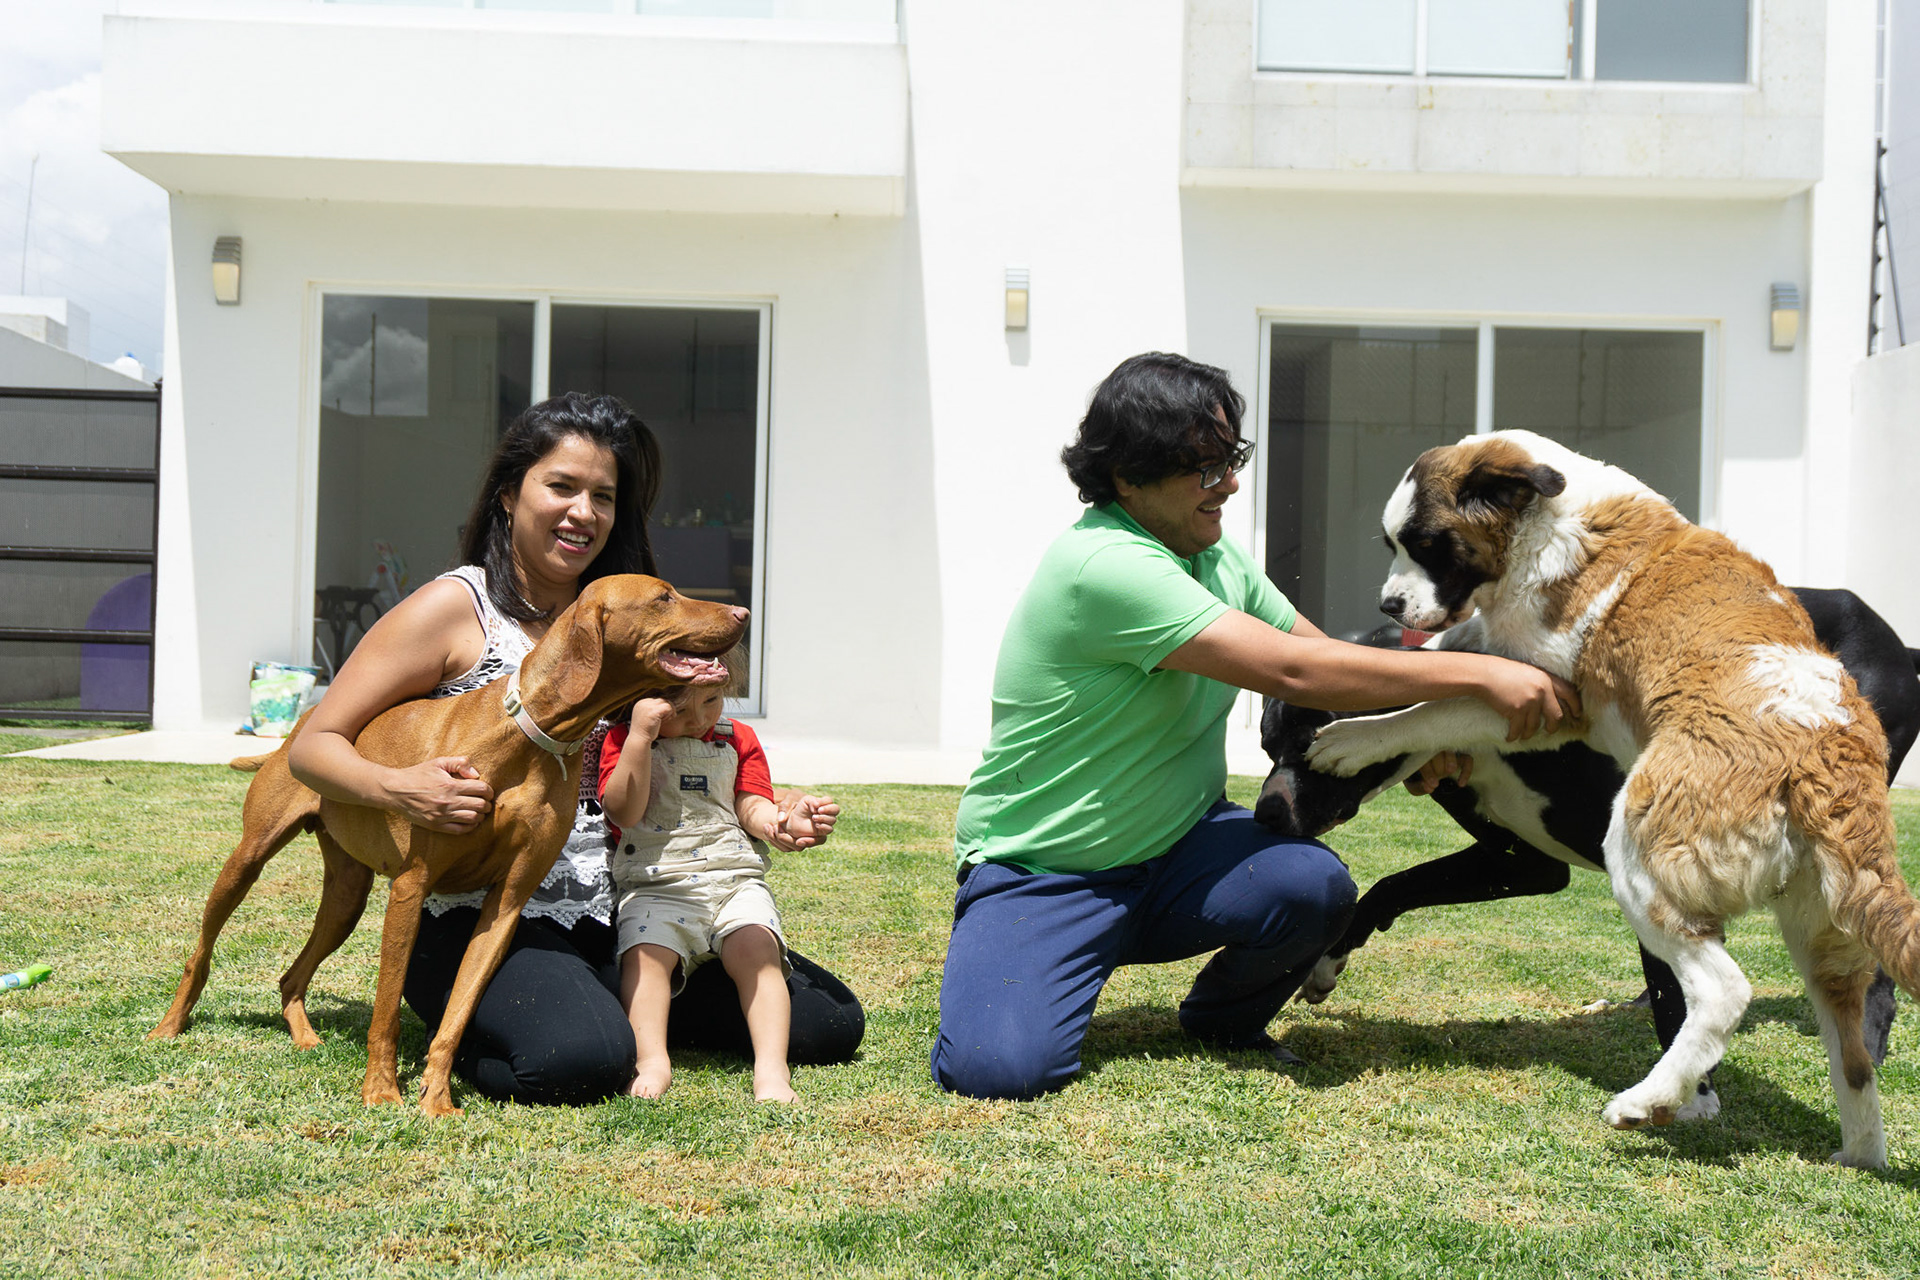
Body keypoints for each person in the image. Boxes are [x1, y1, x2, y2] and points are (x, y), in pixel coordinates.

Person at [930, 352, 1580, 1101]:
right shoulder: (1104, 566)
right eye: (1204, 469)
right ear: (1127, 477)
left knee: (1313, 886)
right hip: (1046, 871)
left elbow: (1324, 655)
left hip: (1177, 854)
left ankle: (1222, 1019)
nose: (1230, 485)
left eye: (1230, 459)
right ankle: (1032, 948)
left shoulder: (1213, 556)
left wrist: (1422, 735)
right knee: (1000, 1074)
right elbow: (1292, 674)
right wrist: (1485, 673)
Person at [288, 391, 864, 1106]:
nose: (583, 512)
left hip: (630, 907)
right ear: (507, 495)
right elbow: (312, 748)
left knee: (829, 1023)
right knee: (575, 1062)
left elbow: (693, 738)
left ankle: (615, 1006)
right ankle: (495, 1023)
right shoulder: (453, 609)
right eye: (561, 486)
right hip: (483, 912)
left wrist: (773, 809)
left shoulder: (621, 613)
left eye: (603, 496)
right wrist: (400, 789)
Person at [598, 661, 839, 1103]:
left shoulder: (736, 738)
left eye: (710, 701)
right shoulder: (623, 740)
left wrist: (779, 823)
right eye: (678, 710)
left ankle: (771, 1067)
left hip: (731, 878)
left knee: (758, 948)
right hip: (657, 883)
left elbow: (750, 803)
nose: (699, 719)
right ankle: (651, 1059)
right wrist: (639, 738)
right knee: (646, 959)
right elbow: (623, 812)